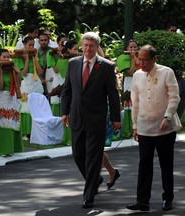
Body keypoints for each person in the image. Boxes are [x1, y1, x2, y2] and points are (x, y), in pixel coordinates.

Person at [61, 32, 121, 209]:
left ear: (97, 47)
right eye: (85, 45)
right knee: (78, 154)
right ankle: (95, 178)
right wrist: (64, 112)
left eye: (91, 46)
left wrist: (116, 118)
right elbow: (67, 90)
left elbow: (113, 95)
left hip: (96, 118)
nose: (88, 49)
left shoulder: (106, 66)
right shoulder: (73, 64)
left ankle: (89, 195)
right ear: (81, 46)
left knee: (93, 158)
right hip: (77, 117)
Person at [126, 45, 181, 212]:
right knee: (144, 165)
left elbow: (174, 97)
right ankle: (142, 201)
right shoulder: (136, 75)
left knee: (166, 164)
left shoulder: (166, 72)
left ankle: (168, 198)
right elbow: (135, 103)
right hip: (144, 127)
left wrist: (168, 116)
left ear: (154, 59)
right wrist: (135, 126)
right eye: (139, 59)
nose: (141, 63)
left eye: (145, 59)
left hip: (165, 127)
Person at [0, 49, 24, 156]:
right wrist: (0, 72)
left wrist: (17, 72)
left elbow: (19, 84)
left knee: (13, 121)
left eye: (8, 57)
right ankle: (4, 150)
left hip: (14, 97)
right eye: (4, 57)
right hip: (2, 96)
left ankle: (14, 148)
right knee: (4, 122)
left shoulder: (12, 67)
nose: (7, 59)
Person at [12, 36, 43, 141]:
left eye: (33, 45)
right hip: (25, 83)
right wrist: (26, 60)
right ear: (24, 45)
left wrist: (35, 60)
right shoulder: (18, 56)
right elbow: (23, 73)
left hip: (35, 83)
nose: (31, 47)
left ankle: (36, 131)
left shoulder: (35, 55)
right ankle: (25, 132)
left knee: (35, 107)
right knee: (26, 108)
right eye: (29, 45)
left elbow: (40, 72)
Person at [116, 40, 140, 139]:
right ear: (127, 49)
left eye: (135, 47)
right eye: (131, 47)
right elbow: (130, 72)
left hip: (138, 83)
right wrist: (132, 58)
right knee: (128, 107)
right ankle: (127, 131)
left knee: (137, 107)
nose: (133, 49)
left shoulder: (140, 58)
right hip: (128, 84)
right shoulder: (123, 58)